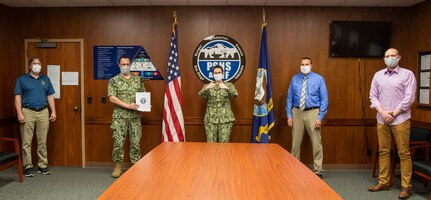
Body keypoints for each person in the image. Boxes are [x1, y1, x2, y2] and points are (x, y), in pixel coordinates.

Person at [368, 48, 416, 199]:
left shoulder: (407, 74)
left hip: (400, 119)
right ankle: (383, 182)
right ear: (384, 59)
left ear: (399, 57)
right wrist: (383, 113)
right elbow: (372, 96)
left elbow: (409, 98)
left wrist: (394, 113)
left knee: (403, 153)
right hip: (382, 119)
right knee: (383, 151)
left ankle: (406, 186)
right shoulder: (378, 75)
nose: (390, 58)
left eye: (393, 56)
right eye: (387, 56)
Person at [286, 57, 328, 179]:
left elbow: (324, 100)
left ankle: (318, 170)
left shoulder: (319, 79)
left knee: (316, 142)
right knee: (295, 142)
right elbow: (289, 99)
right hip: (297, 112)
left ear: (311, 65)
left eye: (307, 64)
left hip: (313, 112)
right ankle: (294, 167)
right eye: (302, 64)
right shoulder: (295, 79)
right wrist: (289, 115)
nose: (304, 66)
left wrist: (320, 117)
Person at [14, 57, 57, 177]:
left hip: (43, 112)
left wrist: (53, 111)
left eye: (39, 63)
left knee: (42, 141)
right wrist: (19, 113)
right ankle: (27, 166)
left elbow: (50, 96)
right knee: (26, 142)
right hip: (27, 112)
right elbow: (17, 97)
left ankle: (42, 166)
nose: (37, 65)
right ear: (30, 66)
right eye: (34, 63)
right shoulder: (22, 79)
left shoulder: (45, 79)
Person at [108, 55, 145, 178]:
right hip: (120, 117)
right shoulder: (113, 81)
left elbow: (143, 96)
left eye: (127, 64)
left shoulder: (138, 80)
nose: (125, 66)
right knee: (118, 142)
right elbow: (112, 98)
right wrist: (128, 105)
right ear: (119, 65)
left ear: (130, 64)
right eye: (123, 64)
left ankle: (136, 165)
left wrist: (145, 105)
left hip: (135, 117)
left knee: (135, 142)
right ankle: (118, 166)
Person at [199, 65, 238, 143]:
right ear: (213, 74)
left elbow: (235, 94)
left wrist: (226, 88)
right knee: (210, 145)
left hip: (225, 119)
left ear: (222, 74)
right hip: (210, 119)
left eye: (219, 72)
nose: (217, 74)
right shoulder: (208, 85)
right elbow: (201, 95)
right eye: (215, 73)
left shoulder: (229, 85)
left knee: (224, 144)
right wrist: (207, 89)